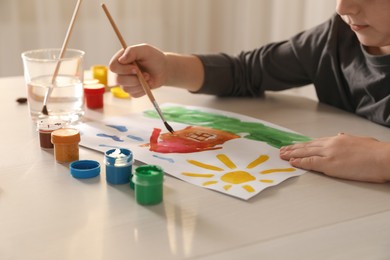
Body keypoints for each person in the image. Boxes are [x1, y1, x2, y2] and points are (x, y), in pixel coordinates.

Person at [109, 0, 390, 183]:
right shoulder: (337, 36)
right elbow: (246, 71)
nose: (343, 7)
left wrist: (381, 158)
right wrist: (167, 68)